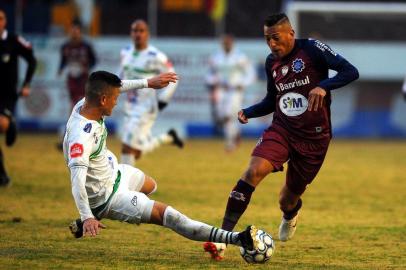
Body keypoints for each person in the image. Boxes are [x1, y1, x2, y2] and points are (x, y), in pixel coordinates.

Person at [204, 13, 359, 260]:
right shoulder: (271, 63)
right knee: (252, 172)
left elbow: (350, 71)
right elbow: (271, 100)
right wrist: (249, 111)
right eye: (267, 40)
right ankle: (222, 237)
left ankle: (290, 214)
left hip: (314, 138)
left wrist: (323, 86)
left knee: (287, 199)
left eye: (276, 38)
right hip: (282, 130)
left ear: (290, 34)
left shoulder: (312, 49)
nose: (272, 45)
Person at [64, 70, 259, 253]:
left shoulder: (86, 103)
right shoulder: (81, 137)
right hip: (107, 197)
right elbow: (77, 181)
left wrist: (148, 83)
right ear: (103, 99)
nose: (117, 102)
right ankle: (237, 238)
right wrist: (87, 216)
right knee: (171, 216)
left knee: (150, 185)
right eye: (115, 98)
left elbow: (118, 86)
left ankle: (98, 215)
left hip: (116, 173)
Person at [119, 19, 183, 167]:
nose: (138, 34)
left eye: (141, 31)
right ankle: (167, 137)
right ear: (131, 33)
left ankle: (123, 185)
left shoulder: (156, 56)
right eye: (135, 30)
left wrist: (163, 100)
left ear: (147, 34)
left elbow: (174, 77)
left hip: (146, 107)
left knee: (127, 148)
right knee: (136, 151)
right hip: (130, 106)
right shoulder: (125, 52)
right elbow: (121, 74)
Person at [0, 9, 37, 186]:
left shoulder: (13, 40)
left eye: (0, 18)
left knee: (1, 124)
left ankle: (10, 124)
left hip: (7, 95)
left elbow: (32, 59)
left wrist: (27, 84)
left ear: (5, 22)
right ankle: (2, 175)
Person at [206, 34, 255, 152]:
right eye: (224, 43)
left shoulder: (240, 57)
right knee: (221, 116)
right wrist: (213, 81)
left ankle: (230, 144)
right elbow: (209, 74)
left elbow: (251, 74)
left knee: (229, 115)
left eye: (228, 43)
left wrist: (242, 83)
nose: (226, 45)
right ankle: (236, 134)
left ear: (232, 43)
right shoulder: (216, 57)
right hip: (221, 89)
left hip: (234, 91)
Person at [57, 18, 96, 149]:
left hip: (83, 79)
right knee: (74, 106)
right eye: (72, 30)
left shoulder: (86, 46)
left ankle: (80, 136)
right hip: (72, 79)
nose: (74, 33)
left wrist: (87, 67)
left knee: (81, 106)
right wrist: (60, 69)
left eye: (77, 30)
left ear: (80, 32)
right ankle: (70, 138)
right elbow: (63, 60)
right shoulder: (65, 46)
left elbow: (94, 60)